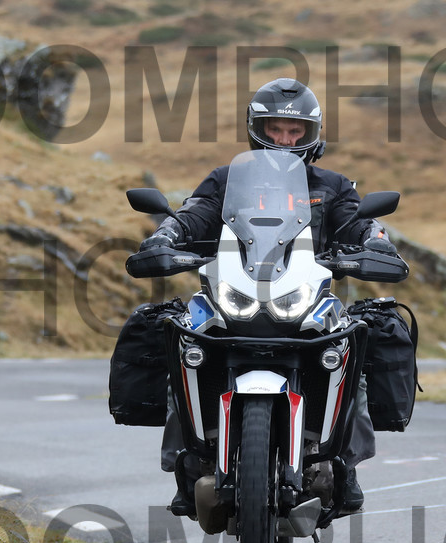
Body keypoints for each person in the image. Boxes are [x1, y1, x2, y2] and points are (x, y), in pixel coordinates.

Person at [138, 77, 397, 517]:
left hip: (305, 296)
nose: (285, 139)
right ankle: (187, 462)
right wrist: (167, 234)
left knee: (350, 348)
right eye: (275, 129)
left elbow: (355, 222)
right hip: (232, 291)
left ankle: (344, 464)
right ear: (256, 129)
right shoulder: (225, 180)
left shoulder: (332, 186)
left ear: (312, 135)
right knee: (183, 343)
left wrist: (375, 239)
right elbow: (194, 214)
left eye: (295, 131)